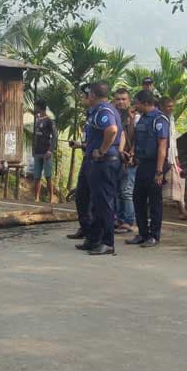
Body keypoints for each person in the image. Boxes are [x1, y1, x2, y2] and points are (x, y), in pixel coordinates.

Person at [80, 82, 122, 256]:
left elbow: (111, 130)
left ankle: (107, 242)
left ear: (92, 95)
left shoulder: (103, 110)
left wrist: (102, 150)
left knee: (104, 203)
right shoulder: (98, 111)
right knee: (97, 203)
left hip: (105, 162)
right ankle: (95, 239)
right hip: (97, 162)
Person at [126, 90, 169, 247]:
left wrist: (159, 171)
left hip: (155, 164)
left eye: (136, 102)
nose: (134, 105)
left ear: (145, 103)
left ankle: (154, 235)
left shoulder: (159, 119)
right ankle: (142, 233)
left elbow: (162, 146)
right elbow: (133, 139)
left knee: (155, 201)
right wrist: (131, 120)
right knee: (138, 199)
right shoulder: (142, 118)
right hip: (142, 164)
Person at [159, 96, 187, 220]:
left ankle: (183, 211)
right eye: (168, 106)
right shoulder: (159, 119)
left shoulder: (171, 118)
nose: (171, 109)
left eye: (172, 106)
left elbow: (173, 139)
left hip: (171, 157)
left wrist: (175, 156)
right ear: (161, 107)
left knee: (178, 182)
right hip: (162, 158)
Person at [113, 87, 138, 233]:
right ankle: (119, 219)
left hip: (130, 159)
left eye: (123, 99)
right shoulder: (114, 114)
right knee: (117, 191)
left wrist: (132, 153)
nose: (120, 102)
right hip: (116, 158)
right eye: (118, 99)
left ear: (129, 100)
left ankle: (128, 221)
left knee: (127, 191)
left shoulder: (135, 116)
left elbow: (137, 138)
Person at [32, 99, 57, 203]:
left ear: (39, 107)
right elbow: (35, 136)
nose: (35, 108)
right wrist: (33, 150)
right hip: (37, 152)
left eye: (36, 106)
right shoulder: (37, 120)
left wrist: (50, 150)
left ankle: (51, 198)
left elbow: (55, 136)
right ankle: (36, 198)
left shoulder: (49, 120)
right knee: (37, 176)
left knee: (48, 176)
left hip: (46, 152)